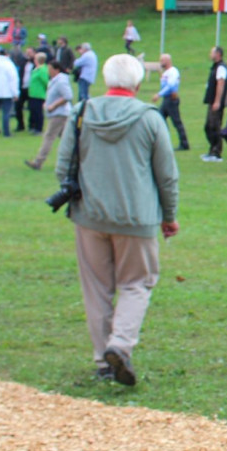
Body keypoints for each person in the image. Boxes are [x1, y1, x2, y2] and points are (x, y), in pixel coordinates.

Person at [56, 54, 178, 385]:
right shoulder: (150, 119)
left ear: (106, 81)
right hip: (137, 218)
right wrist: (169, 216)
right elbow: (166, 175)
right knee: (137, 283)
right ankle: (120, 346)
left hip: (90, 216)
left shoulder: (82, 113)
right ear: (138, 84)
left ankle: (102, 360)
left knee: (96, 289)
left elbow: (62, 166)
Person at [25, 61, 73, 170]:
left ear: (56, 70)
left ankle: (38, 161)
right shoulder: (55, 81)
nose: (48, 71)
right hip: (58, 114)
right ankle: (78, 160)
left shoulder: (60, 81)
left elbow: (68, 96)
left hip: (59, 114)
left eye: (50, 69)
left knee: (49, 137)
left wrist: (53, 106)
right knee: (69, 139)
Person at [150, 54, 189, 151]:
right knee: (161, 119)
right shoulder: (166, 72)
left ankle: (184, 144)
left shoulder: (173, 71)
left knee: (176, 122)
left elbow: (171, 86)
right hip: (166, 99)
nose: (160, 62)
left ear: (168, 61)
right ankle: (164, 142)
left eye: (162, 60)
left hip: (171, 99)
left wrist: (159, 94)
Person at [201, 46, 227, 163]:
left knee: (214, 126)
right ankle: (212, 150)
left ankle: (217, 152)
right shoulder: (215, 67)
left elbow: (220, 84)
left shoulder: (221, 67)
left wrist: (217, 101)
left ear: (218, 54)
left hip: (216, 102)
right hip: (212, 101)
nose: (210, 54)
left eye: (212, 52)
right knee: (208, 126)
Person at [26, 52, 49, 134]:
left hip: (39, 94)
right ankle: (33, 126)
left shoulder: (42, 69)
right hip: (33, 94)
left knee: (38, 111)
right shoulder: (36, 69)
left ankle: (39, 128)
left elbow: (46, 82)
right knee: (33, 111)